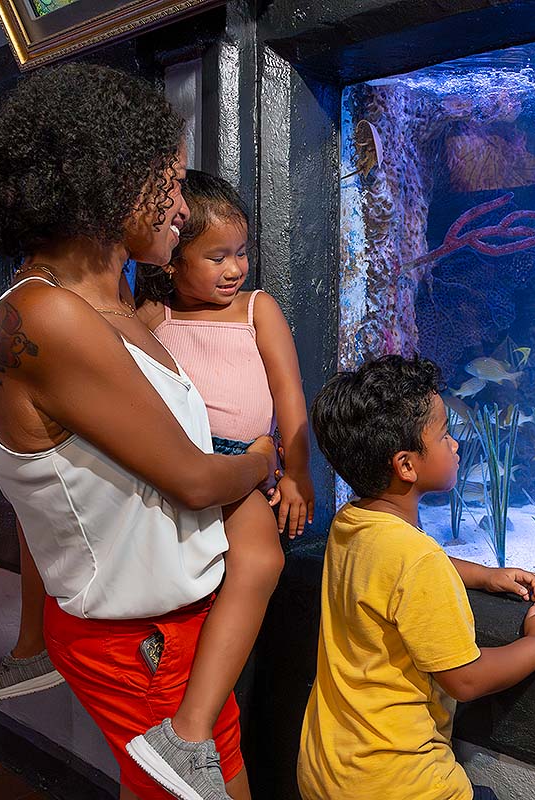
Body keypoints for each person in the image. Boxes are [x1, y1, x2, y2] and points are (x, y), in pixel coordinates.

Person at [0, 62, 279, 800]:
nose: (180, 208)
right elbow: (194, 476)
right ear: (107, 182)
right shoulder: (46, 315)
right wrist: (260, 460)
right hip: (144, 643)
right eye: (168, 184)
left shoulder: (114, 304)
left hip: (173, 632)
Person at [298, 355, 535, 800]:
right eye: (444, 434)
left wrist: (484, 576)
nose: (455, 445)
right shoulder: (417, 561)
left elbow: (394, 574)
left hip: (328, 769)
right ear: (406, 465)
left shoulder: (351, 522)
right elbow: (465, 679)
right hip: (401, 785)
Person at [127, 172, 314, 795]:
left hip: (247, 466)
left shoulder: (258, 308)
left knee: (259, 559)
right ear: (173, 258)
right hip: (179, 463)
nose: (234, 267)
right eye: (216, 256)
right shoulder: (151, 316)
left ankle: (190, 729)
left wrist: (298, 473)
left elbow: (290, 397)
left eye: (241, 252)